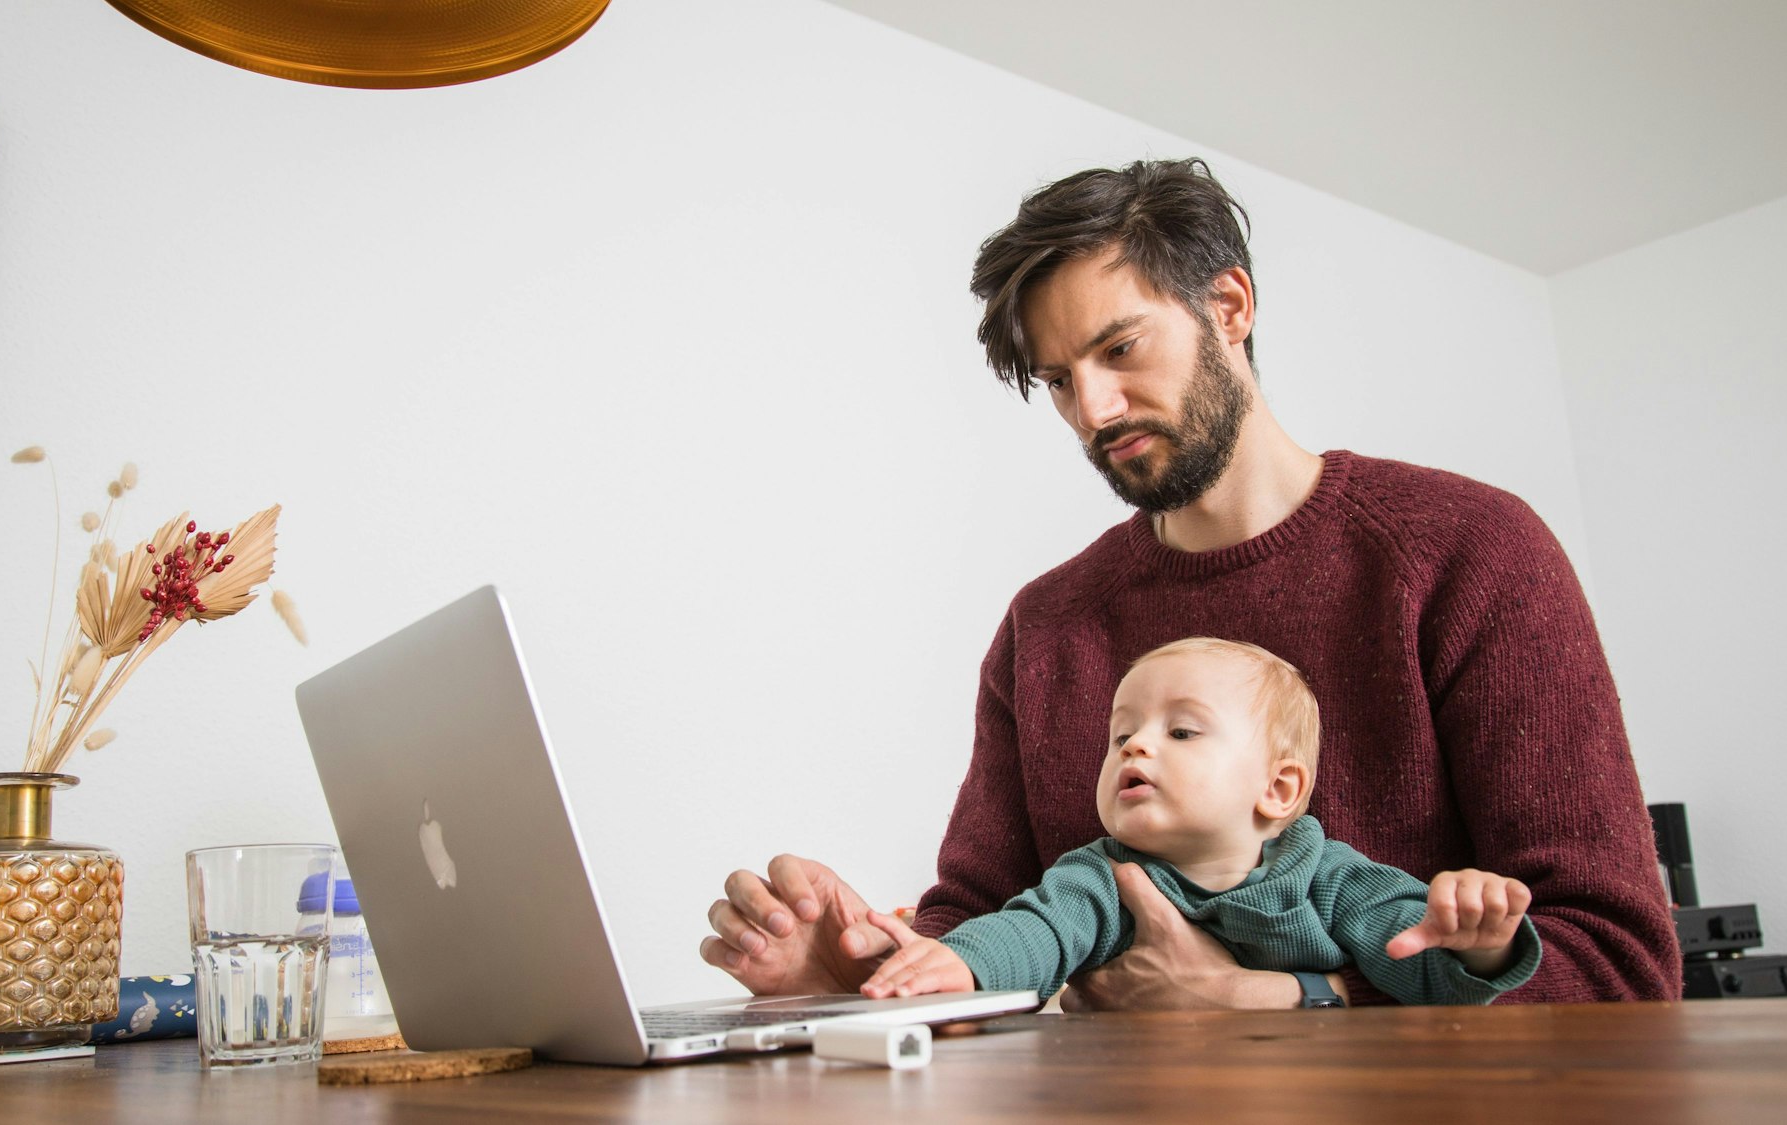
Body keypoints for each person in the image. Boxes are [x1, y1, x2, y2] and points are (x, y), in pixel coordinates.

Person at [701, 158, 1679, 1007]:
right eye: (1055, 379)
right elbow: (988, 922)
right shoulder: (1046, 627)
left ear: (1229, 307)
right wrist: (876, 979)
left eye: (1117, 348)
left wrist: (1290, 1003)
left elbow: (1617, 964)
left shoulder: (1466, 551)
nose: (1092, 407)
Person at [858, 637, 1539, 1006]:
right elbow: (1039, 931)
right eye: (1120, 733)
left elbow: (1419, 965)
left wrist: (1479, 941)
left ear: (1277, 788)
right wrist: (964, 962)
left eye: (1181, 731)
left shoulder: (1329, 874)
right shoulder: (1104, 876)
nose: (1135, 745)